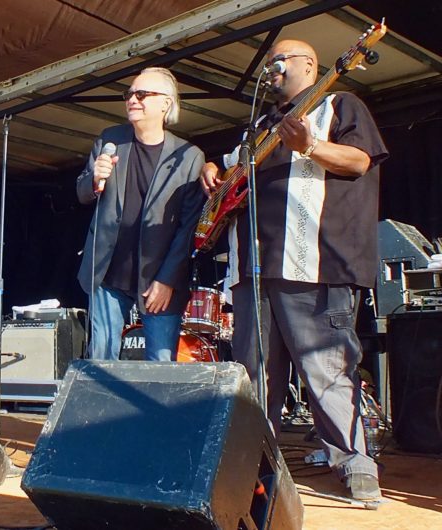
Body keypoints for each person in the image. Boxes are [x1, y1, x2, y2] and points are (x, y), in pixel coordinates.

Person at [200, 40, 388, 501]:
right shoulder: (258, 128)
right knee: (255, 376)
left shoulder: (341, 104)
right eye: (269, 62)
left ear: (310, 64)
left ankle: (355, 464)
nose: (272, 67)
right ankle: (256, 466)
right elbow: (227, 176)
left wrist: (311, 146)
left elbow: (360, 160)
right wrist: (211, 170)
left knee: (326, 370)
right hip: (254, 270)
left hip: (316, 265)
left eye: (279, 60)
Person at [77, 67, 205, 361]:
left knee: (159, 366)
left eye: (142, 94)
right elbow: (81, 191)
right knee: (100, 362)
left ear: (165, 103)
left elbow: (188, 229)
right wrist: (95, 180)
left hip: (157, 277)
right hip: (107, 272)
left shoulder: (188, 156)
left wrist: (167, 280)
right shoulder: (110, 139)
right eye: (129, 94)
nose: (133, 99)